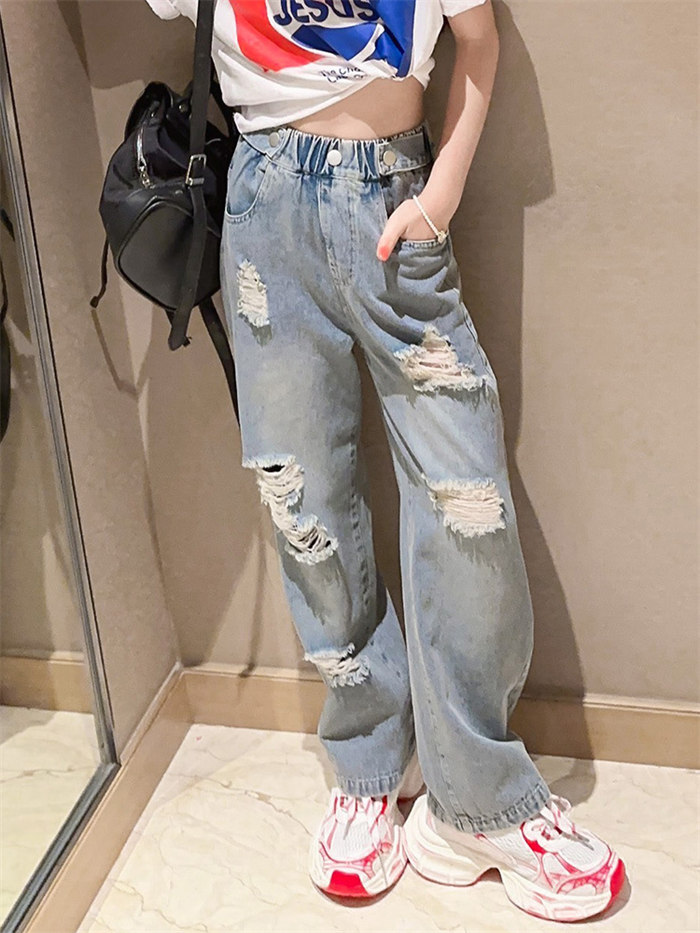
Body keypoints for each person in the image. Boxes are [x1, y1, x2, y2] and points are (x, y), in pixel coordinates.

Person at [145, 0, 626, 922]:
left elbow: (478, 41)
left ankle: (479, 798)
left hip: (394, 202)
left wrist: (441, 194)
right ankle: (371, 761)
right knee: (305, 500)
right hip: (264, 211)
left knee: (465, 499)